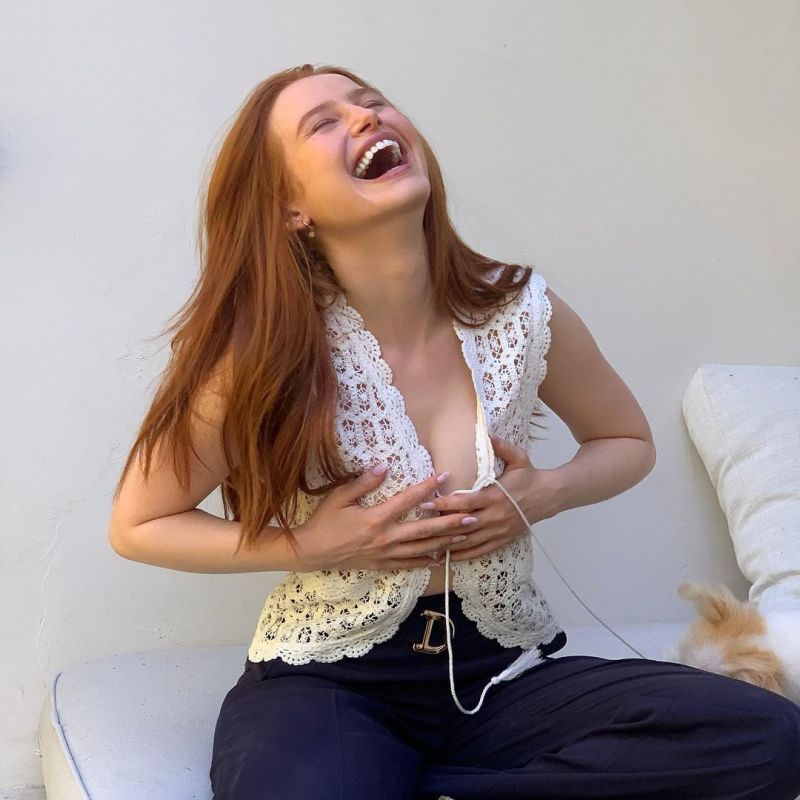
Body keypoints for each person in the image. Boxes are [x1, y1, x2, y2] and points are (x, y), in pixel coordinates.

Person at [108, 63, 800, 800]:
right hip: (329, 683)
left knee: (765, 736)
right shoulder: (261, 352)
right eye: (324, 124)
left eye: (372, 103)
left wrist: (546, 493)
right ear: (290, 208)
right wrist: (311, 544)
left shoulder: (521, 313)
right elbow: (139, 524)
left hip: (504, 673)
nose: (366, 118)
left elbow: (626, 442)